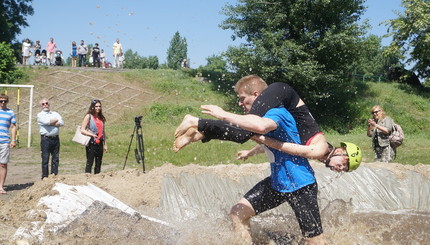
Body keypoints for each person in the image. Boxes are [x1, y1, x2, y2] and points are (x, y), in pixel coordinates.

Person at [213, 78, 327, 244]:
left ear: (257, 95)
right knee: (237, 213)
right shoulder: (263, 117)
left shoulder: (276, 112)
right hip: (278, 183)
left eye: (242, 98)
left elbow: (262, 129)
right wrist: (250, 153)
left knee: (314, 240)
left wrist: (221, 115)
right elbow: (269, 143)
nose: (240, 103)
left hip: (301, 185)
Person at [174, 75, 362, 172]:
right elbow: (284, 147)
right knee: (250, 129)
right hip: (283, 93)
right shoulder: (319, 149)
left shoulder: (317, 146)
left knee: (247, 133)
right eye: (344, 164)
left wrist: (250, 151)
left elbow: (276, 142)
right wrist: (260, 138)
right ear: (339, 151)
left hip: (283, 93)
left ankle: (201, 133)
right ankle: (195, 121)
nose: (340, 169)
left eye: (343, 170)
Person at [37, 98, 64, 179]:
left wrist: (52, 122)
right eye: (43, 104)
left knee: (55, 158)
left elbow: (62, 122)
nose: (45, 105)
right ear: (41, 105)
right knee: (45, 158)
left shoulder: (55, 113)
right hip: (46, 139)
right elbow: (46, 122)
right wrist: (54, 122)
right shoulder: (40, 115)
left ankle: (54, 175)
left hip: (55, 138)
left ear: (49, 104)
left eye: (46, 103)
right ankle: (45, 176)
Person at [80, 99, 108, 174]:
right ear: (93, 107)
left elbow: (103, 131)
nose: (98, 108)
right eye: (96, 106)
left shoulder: (101, 117)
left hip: (100, 141)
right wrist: (91, 134)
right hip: (91, 141)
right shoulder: (88, 116)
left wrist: (105, 144)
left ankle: (97, 177)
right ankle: (87, 177)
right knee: (90, 161)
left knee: (98, 162)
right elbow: (82, 130)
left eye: (99, 106)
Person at [0, 94, 17, 194]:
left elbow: (14, 126)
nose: (2, 103)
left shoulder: (10, 112)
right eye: (1, 101)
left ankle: (1, 186)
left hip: (4, 141)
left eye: (5, 101)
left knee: (3, 164)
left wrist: (13, 140)